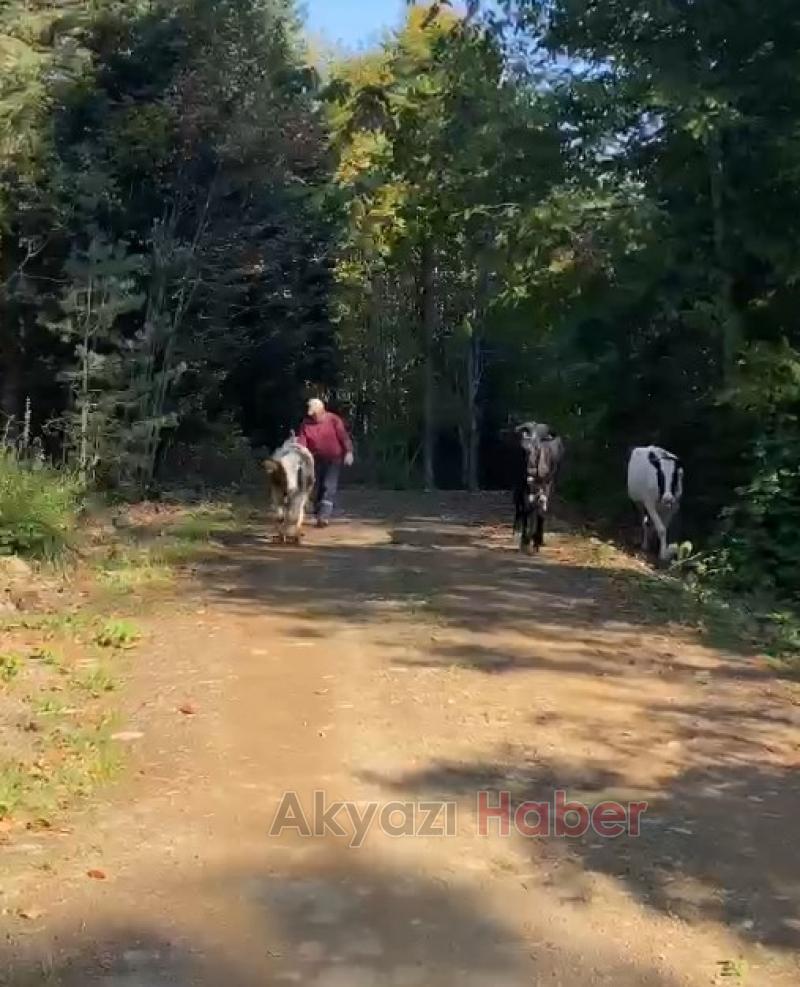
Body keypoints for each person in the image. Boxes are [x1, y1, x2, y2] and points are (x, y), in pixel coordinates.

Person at [296, 398, 354, 527]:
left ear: (322, 411)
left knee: (329, 486)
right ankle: (319, 511)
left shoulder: (333, 419)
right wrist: (300, 455)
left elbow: (344, 437)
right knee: (317, 486)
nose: (313, 416)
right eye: (311, 414)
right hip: (314, 459)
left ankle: (324, 516)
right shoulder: (306, 423)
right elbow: (302, 442)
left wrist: (349, 452)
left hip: (333, 459)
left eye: (315, 414)